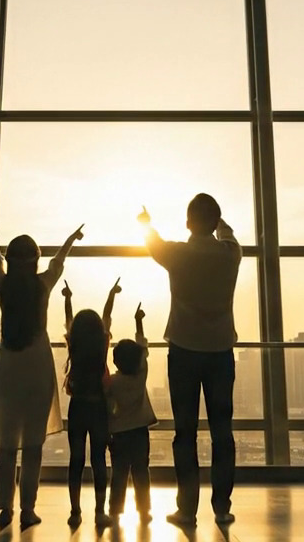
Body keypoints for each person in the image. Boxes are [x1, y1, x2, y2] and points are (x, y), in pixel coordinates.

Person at [138, 194, 241, 527]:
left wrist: (146, 223)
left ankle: (187, 509)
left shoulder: (177, 254)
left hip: (183, 349)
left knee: (185, 433)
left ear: (187, 223)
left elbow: (152, 243)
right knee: (222, 433)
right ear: (215, 222)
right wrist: (221, 224)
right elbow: (228, 234)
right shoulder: (230, 254)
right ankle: (222, 506)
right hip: (220, 351)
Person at [0, 220, 84, 531]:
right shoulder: (43, 285)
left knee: (7, 445)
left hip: (8, 369)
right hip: (37, 368)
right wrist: (70, 237)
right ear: (35, 261)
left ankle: (5, 507)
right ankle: (28, 509)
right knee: (32, 446)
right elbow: (59, 262)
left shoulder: (2, 285)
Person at [61, 279, 118, 528]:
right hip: (98, 408)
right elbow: (107, 317)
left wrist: (67, 299)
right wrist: (110, 294)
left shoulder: (74, 344)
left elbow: (69, 320)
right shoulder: (101, 345)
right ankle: (99, 511)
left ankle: (75, 511)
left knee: (76, 459)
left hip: (78, 408)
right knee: (98, 460)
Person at [106, 302, 157, 524]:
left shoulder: (112, 383)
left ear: (115, 361)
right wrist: (138, 321)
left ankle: (115, 510)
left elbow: (107, 408)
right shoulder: (140, 376)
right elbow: (143, 349)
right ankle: (144, 511)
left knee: (119, 473)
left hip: (119, 433)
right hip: (140, 432)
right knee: (141, 472)